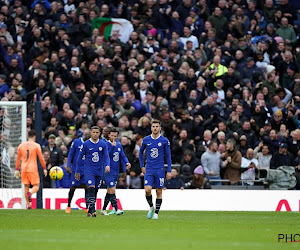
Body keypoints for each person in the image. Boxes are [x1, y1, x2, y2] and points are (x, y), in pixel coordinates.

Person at [139, 119, 172, 220]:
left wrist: (169, 170)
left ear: (160, 128)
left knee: (158, 191)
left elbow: (168, 156)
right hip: (149, 169)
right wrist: (142, 166)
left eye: (157, 126)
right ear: (151, 128)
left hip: (160, 169)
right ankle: (151, 207)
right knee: (147, 190)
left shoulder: (164, 140)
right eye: (153, 126)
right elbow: (140, 153)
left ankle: (156, 213)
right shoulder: (146, 140)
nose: (155, 128)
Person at [75, 126, 110, 217]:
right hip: (89, 170)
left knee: (95, 190)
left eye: (97, 132)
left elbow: (106, 156)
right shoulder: (86, 144)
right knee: (91, 188)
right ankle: (93, 210)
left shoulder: (102, 144)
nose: (95, 134)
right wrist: (77, 171)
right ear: (91, 133)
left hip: (99, 170)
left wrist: (107, 165)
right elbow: (79, 157)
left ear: (99, 133)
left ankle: (90, 209)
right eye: (93, 132)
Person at [101, 127, 131, 216]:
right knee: (112, 189)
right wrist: (111, 147)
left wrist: (127, 162)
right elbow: (105, 156)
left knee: (110, 190)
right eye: (112, 135)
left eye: (115, 136)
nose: (113, 137)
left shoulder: (118, 145)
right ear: (108, 135)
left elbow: (122, 155)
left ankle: (103, 209)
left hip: (115, 171)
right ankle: (116, 209)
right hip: (107, 170)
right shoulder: (105, 144)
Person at [14, 130, 47, 209]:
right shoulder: (36, 145)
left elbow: (18, 158)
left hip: (23, 168)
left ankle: (29, 205)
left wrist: (16, 169)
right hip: (32, 168)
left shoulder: (21, 145)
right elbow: (41, 158)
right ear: (34, 137)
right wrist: (44, 167)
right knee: (36, 185)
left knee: (26, 186)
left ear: (28, 136)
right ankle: (30, 193)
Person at [65, 128, 90, 214]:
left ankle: (87, 207)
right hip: (76, 170)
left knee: (86, 187)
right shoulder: (76, 142)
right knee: (73, 187)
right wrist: (68, 165)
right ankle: (68, 206)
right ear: (84, 135)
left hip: (86, 170)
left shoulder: (91, 144)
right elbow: (70, 154)